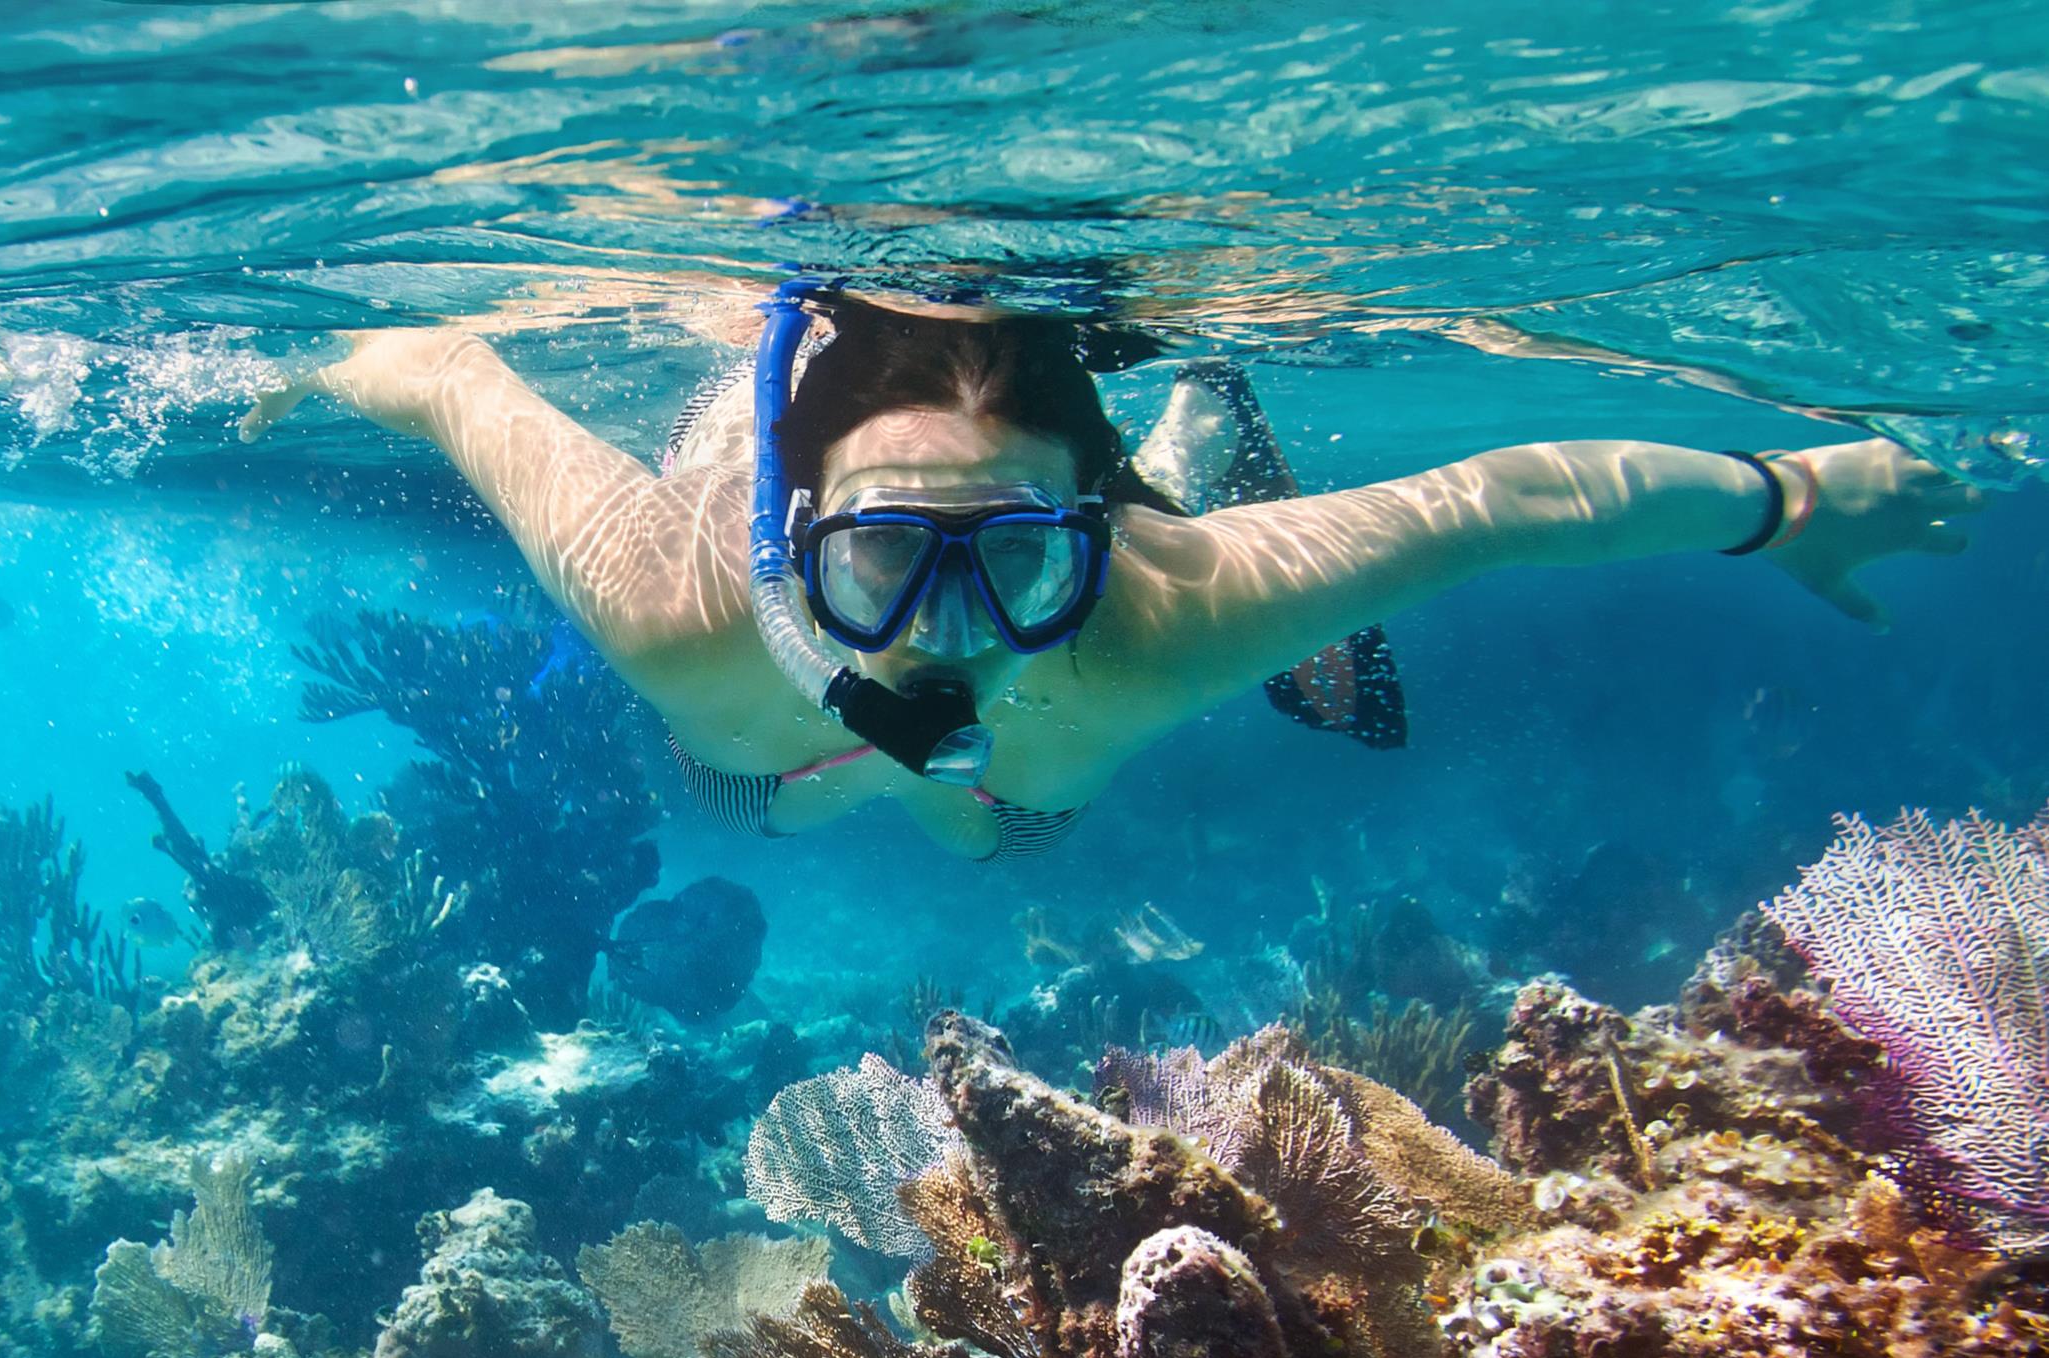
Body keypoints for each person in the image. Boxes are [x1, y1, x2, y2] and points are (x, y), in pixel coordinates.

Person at [240, 286, 1983, 862]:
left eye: (1010, 558)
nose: (941, 629)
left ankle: (1186, 444)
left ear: (1089, 537)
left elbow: (1504, 498)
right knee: (763, 790)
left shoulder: (1166, 610)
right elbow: (455, 366)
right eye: (879, 559)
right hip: (763, 762)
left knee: (999, 820)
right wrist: (318, 367)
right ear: (792, 546)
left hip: (1067, 662)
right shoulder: (675, 607)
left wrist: (1791, 492)